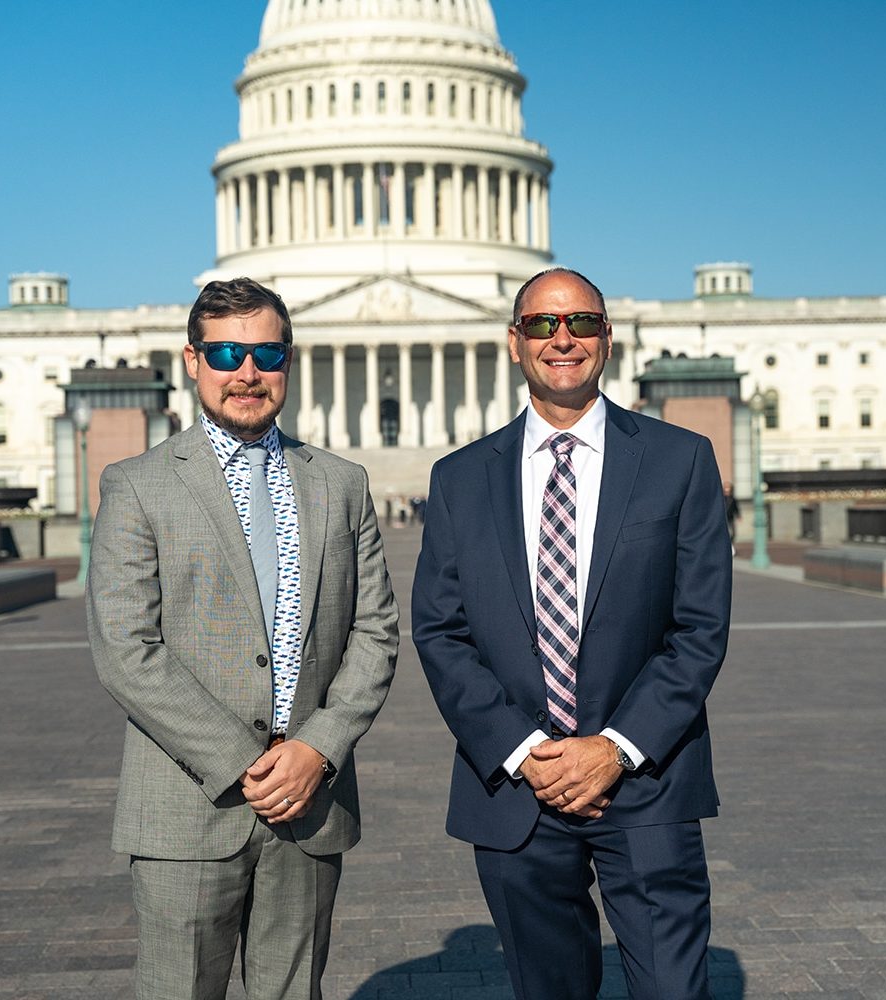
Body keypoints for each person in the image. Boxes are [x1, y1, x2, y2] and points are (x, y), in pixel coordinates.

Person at [411, 267, 732, 1000]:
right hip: (516, 788)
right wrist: (530, 754)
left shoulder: (679, 460)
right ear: (514, 343)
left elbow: (700, 627)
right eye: (543, 325)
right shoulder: (459, 477)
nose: (564, 339)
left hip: (649, 780)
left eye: (582, 323)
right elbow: (439, 630)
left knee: (674, 990)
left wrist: (614, 748)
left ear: (608, 339)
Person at [87, 277, 398, 1000]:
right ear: (192, 361)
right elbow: (126, 650)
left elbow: (376, 630)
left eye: (267, 353)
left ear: (290, 361)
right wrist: (248, 764)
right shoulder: (138, 483)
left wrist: (316, 749)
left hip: (311, 802)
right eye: (227, 352)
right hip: (188, 804)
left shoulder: (342, 482)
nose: (248, 373)